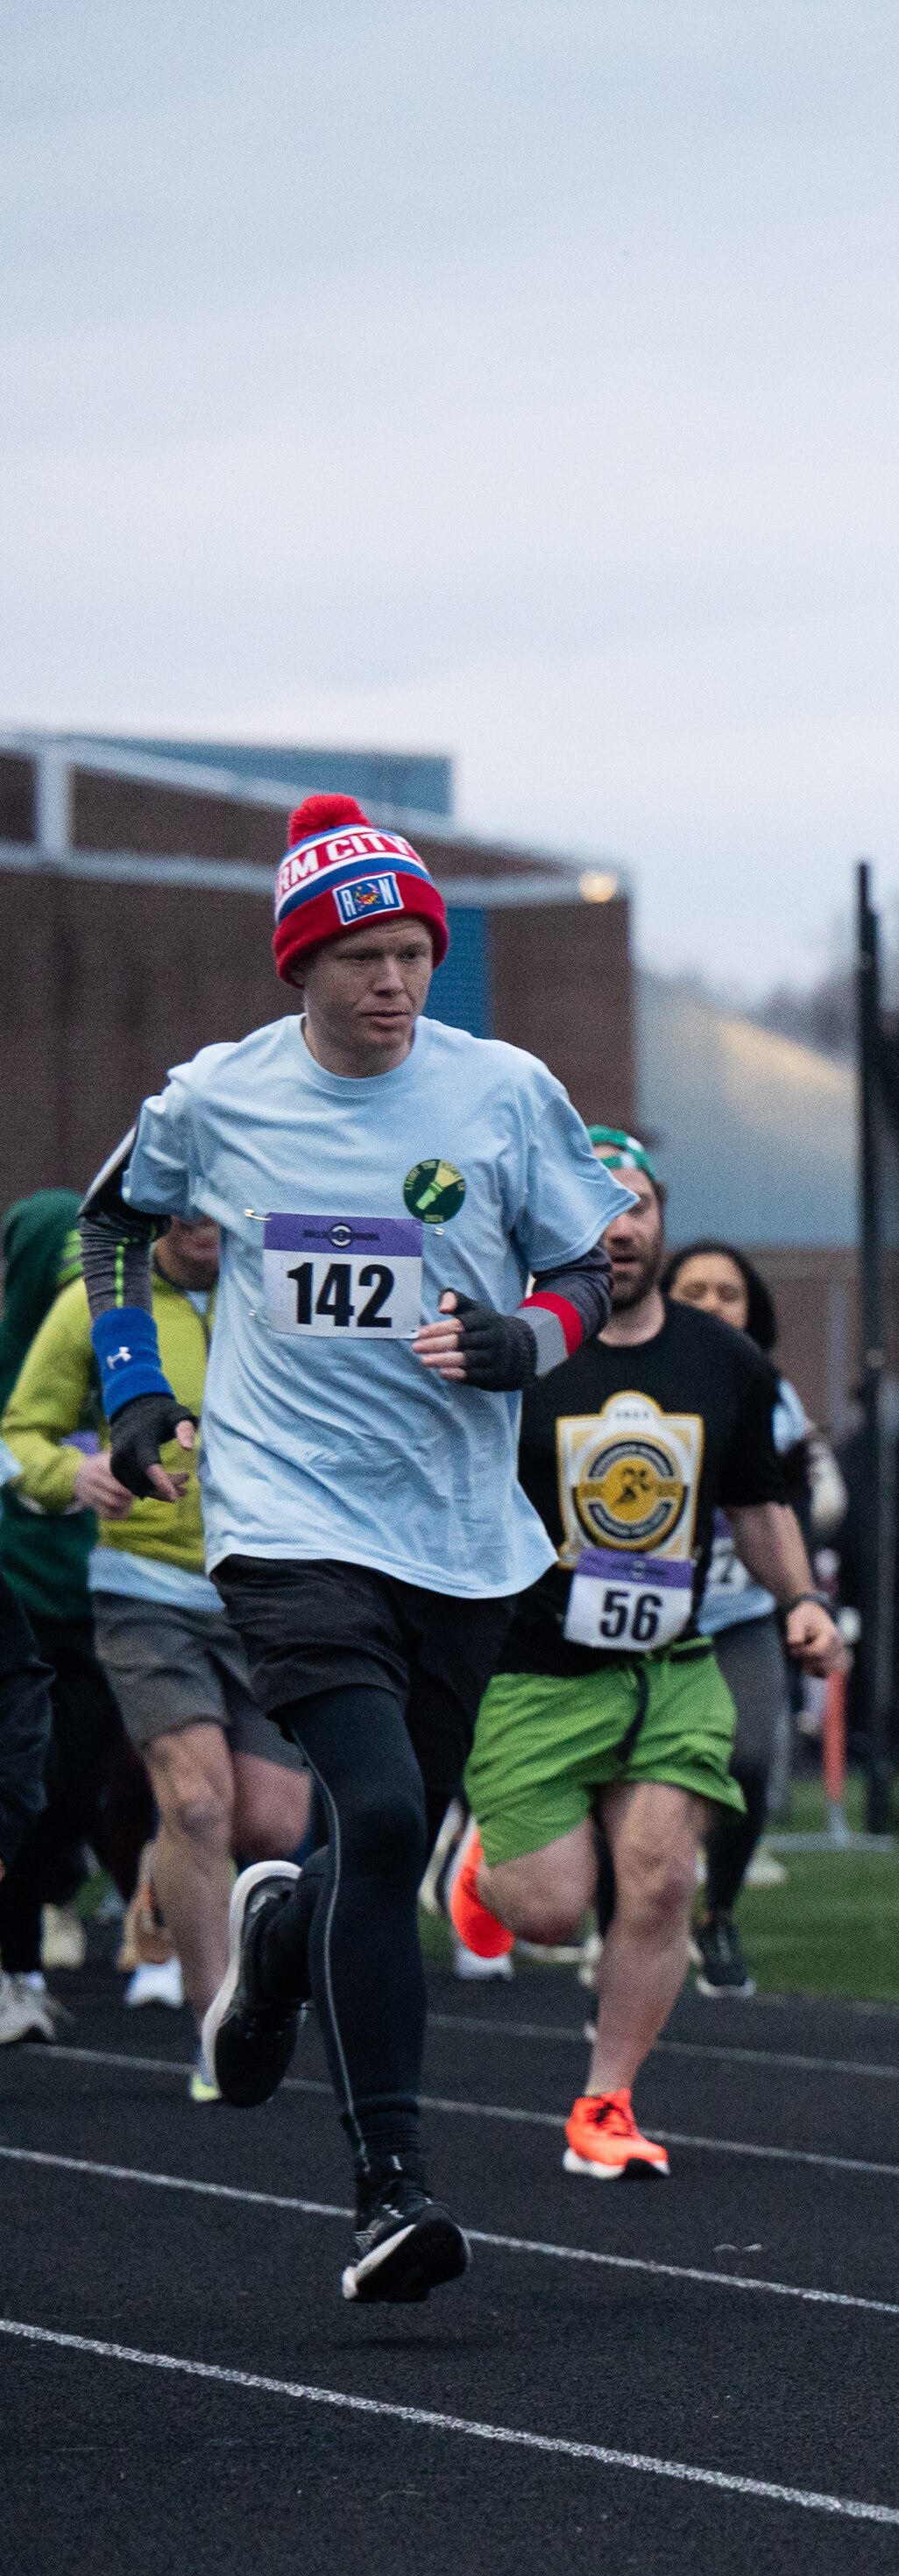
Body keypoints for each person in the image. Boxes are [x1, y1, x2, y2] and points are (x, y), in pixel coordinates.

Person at [82, 792, 635, 2301]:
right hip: (284, 1517)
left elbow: (592, 1255)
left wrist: (536, 1336)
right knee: (383, 1820)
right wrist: (135, 1385)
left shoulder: (504, 1089)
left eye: (412, 954)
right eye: (364, 958)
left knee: (369, 1836)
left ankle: (278, 1941)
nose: (394, 983)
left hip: (458, 1534)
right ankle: (389, 2188)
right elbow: (111, 1224)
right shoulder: (218, 1098)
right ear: (301, 970)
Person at [439, 1136, 840, 2176]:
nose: (618, 1227)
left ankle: (605, 2103)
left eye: (638, 1207)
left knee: (661, 1882)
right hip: (529, 1670)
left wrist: (799, 1600)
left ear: (662, 1222)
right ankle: (484, 1876)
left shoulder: (724, 1359)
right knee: (549, 1908)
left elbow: (756, 1498)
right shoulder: (508, 1348)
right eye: (593, 1207)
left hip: (671, 1662)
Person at [8, 1196, 314, 2056]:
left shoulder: (291, 1291)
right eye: (182, 1209)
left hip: (271, 1588)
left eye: (223, 1205)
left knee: (271, 1829)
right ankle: (217, 2020)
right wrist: (76, 1471)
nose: (204, 1223)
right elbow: (20, 1434)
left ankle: (164, 1881)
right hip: (146, 1589)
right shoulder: (99, 1301)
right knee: (200, 1803)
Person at [660, 1236, 852, 1994]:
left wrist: (801, 1596)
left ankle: (718, 1912)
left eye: (727, 1292)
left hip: (737, 1610)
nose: (712, 1305)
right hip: (630, 1620)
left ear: (752, 1308)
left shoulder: (771, 1391)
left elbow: (791, 1502)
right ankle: (623, 1926)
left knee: (747, 1760)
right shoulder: (630, 1371)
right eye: (696, 1291)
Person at [0, 1187, 149, 2047]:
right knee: (17, 1781)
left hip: (101, 1593)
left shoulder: (122, 1358)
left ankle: (59, 1891)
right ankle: (16, 1967)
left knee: (76, 1787)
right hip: (13, 1596)